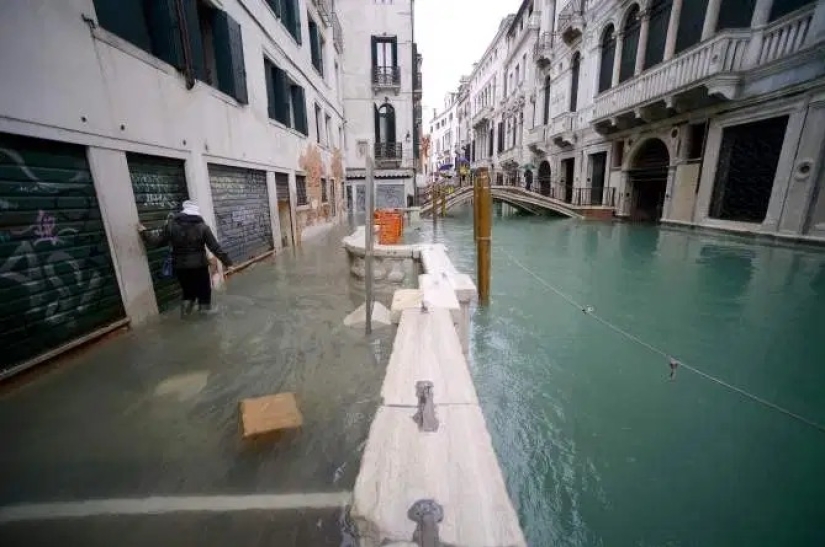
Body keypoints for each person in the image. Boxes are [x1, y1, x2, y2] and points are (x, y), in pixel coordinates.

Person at [138, 200, 232, 317]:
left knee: (188, 293)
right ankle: (205, 320)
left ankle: (185, 317)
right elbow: (215, 248)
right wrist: (228, 263)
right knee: (204, 293)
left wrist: (143, 232)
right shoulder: (203, 227)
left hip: (180, 267)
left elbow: (156, 242)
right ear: (196, 213)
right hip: (199, 267)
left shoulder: (171, 226)